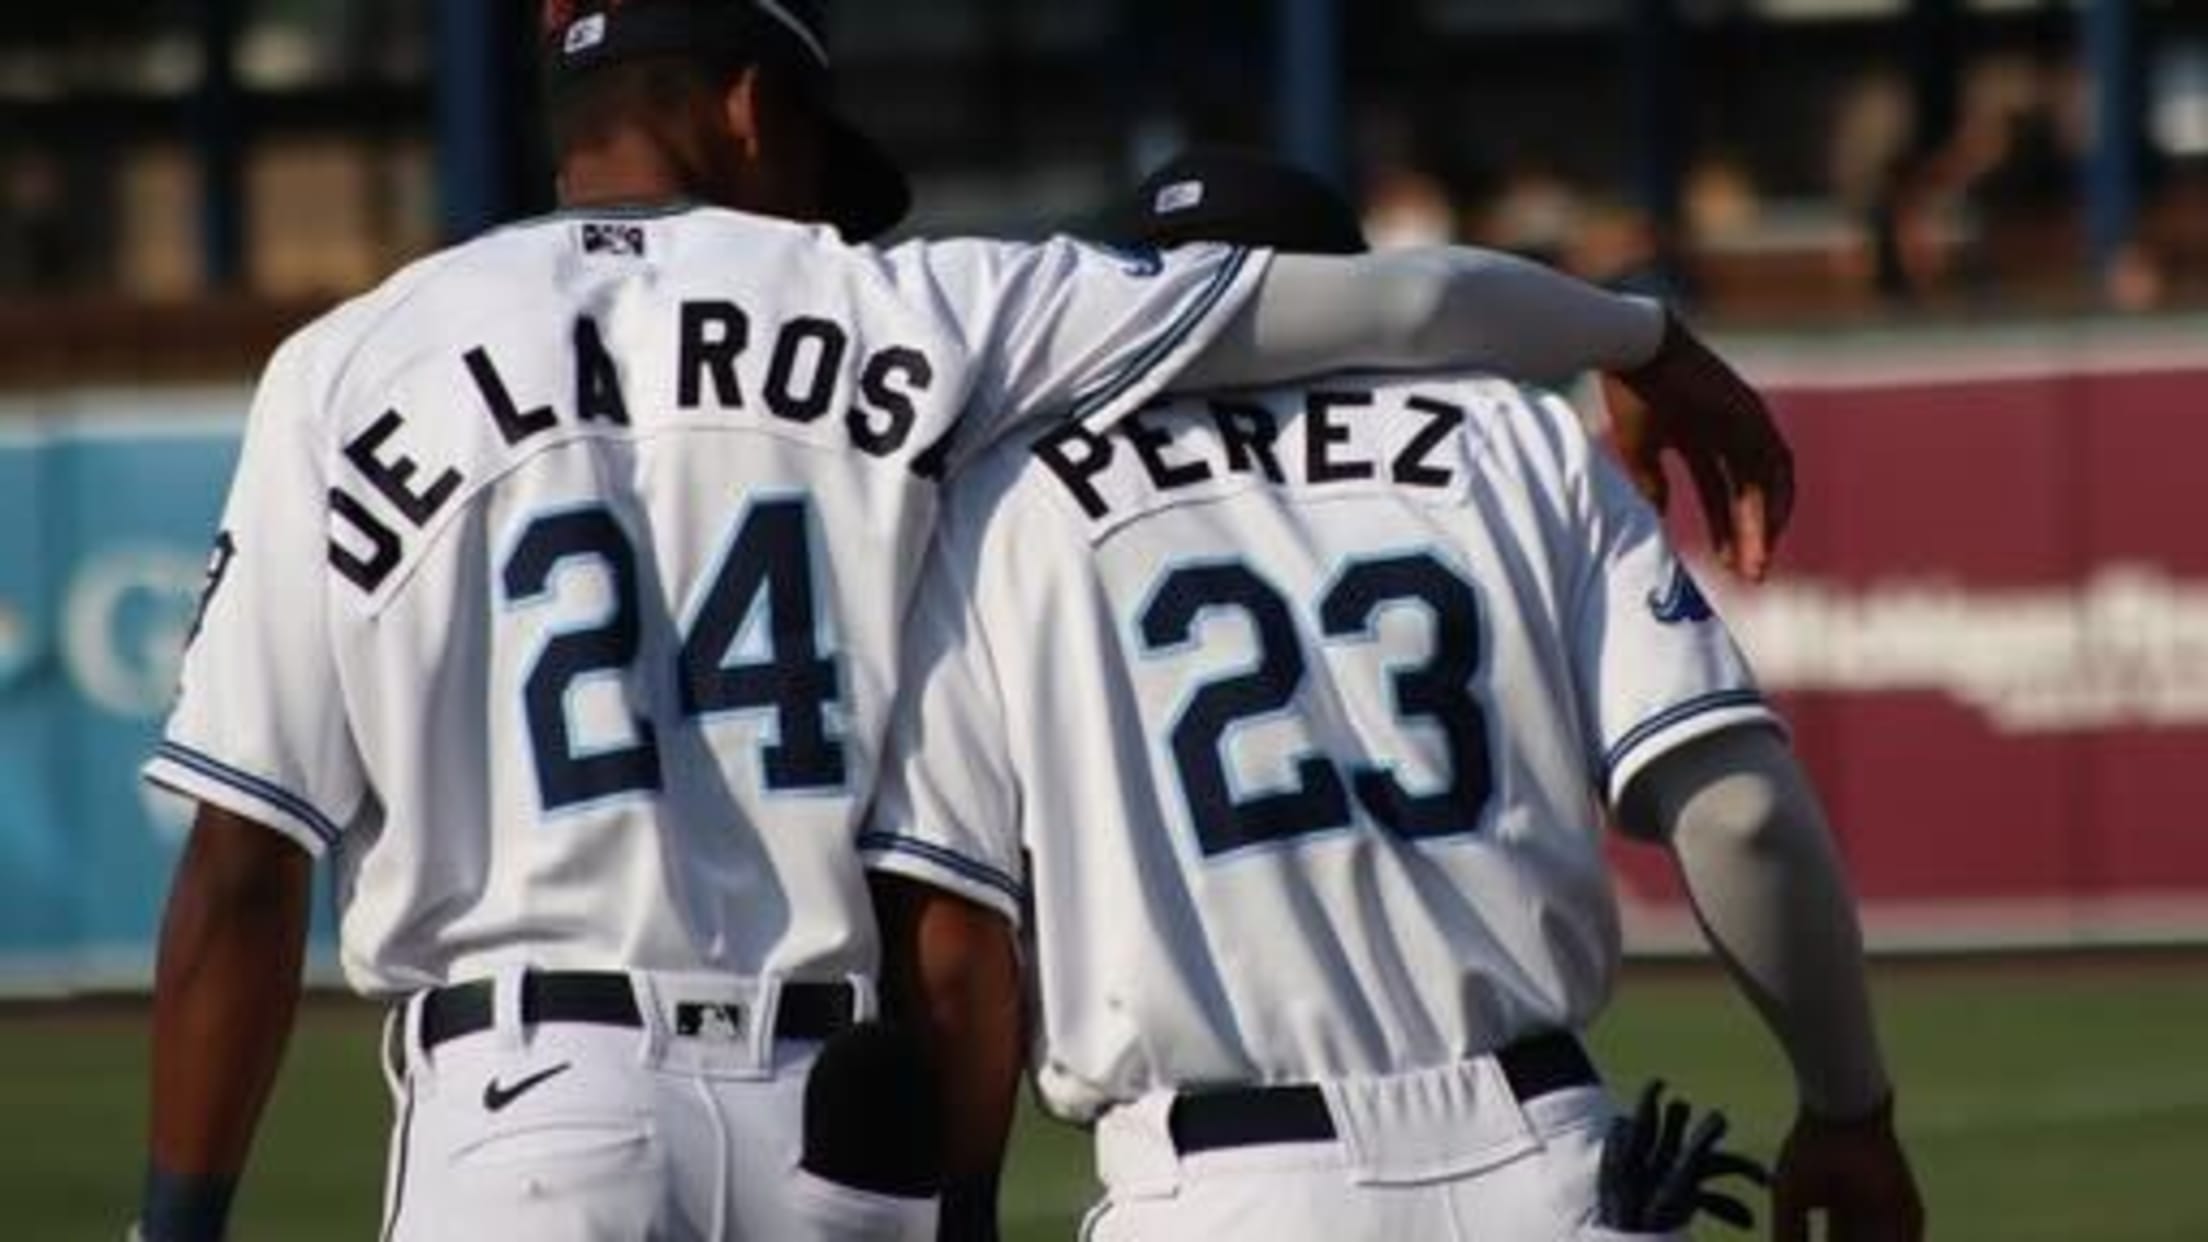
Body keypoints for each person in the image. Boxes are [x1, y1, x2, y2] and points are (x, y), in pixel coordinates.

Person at [133, 4, 1797, 1238]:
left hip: (521, 1107)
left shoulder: (350, 365)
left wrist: (180, 1223)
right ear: (738, 97)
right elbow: (1407, 297)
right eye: (812, 158)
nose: (824, 206)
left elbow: (241, 867)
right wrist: (1637, 335)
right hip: (830, 1129)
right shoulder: (912, 304)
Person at [865, 150, 1922, 1242]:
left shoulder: (1000, 509)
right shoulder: (1514, 437)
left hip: (1221, 1188)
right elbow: (1738, 814)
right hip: (1547, 1165)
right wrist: (1850, 1109)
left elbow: (955, 943)